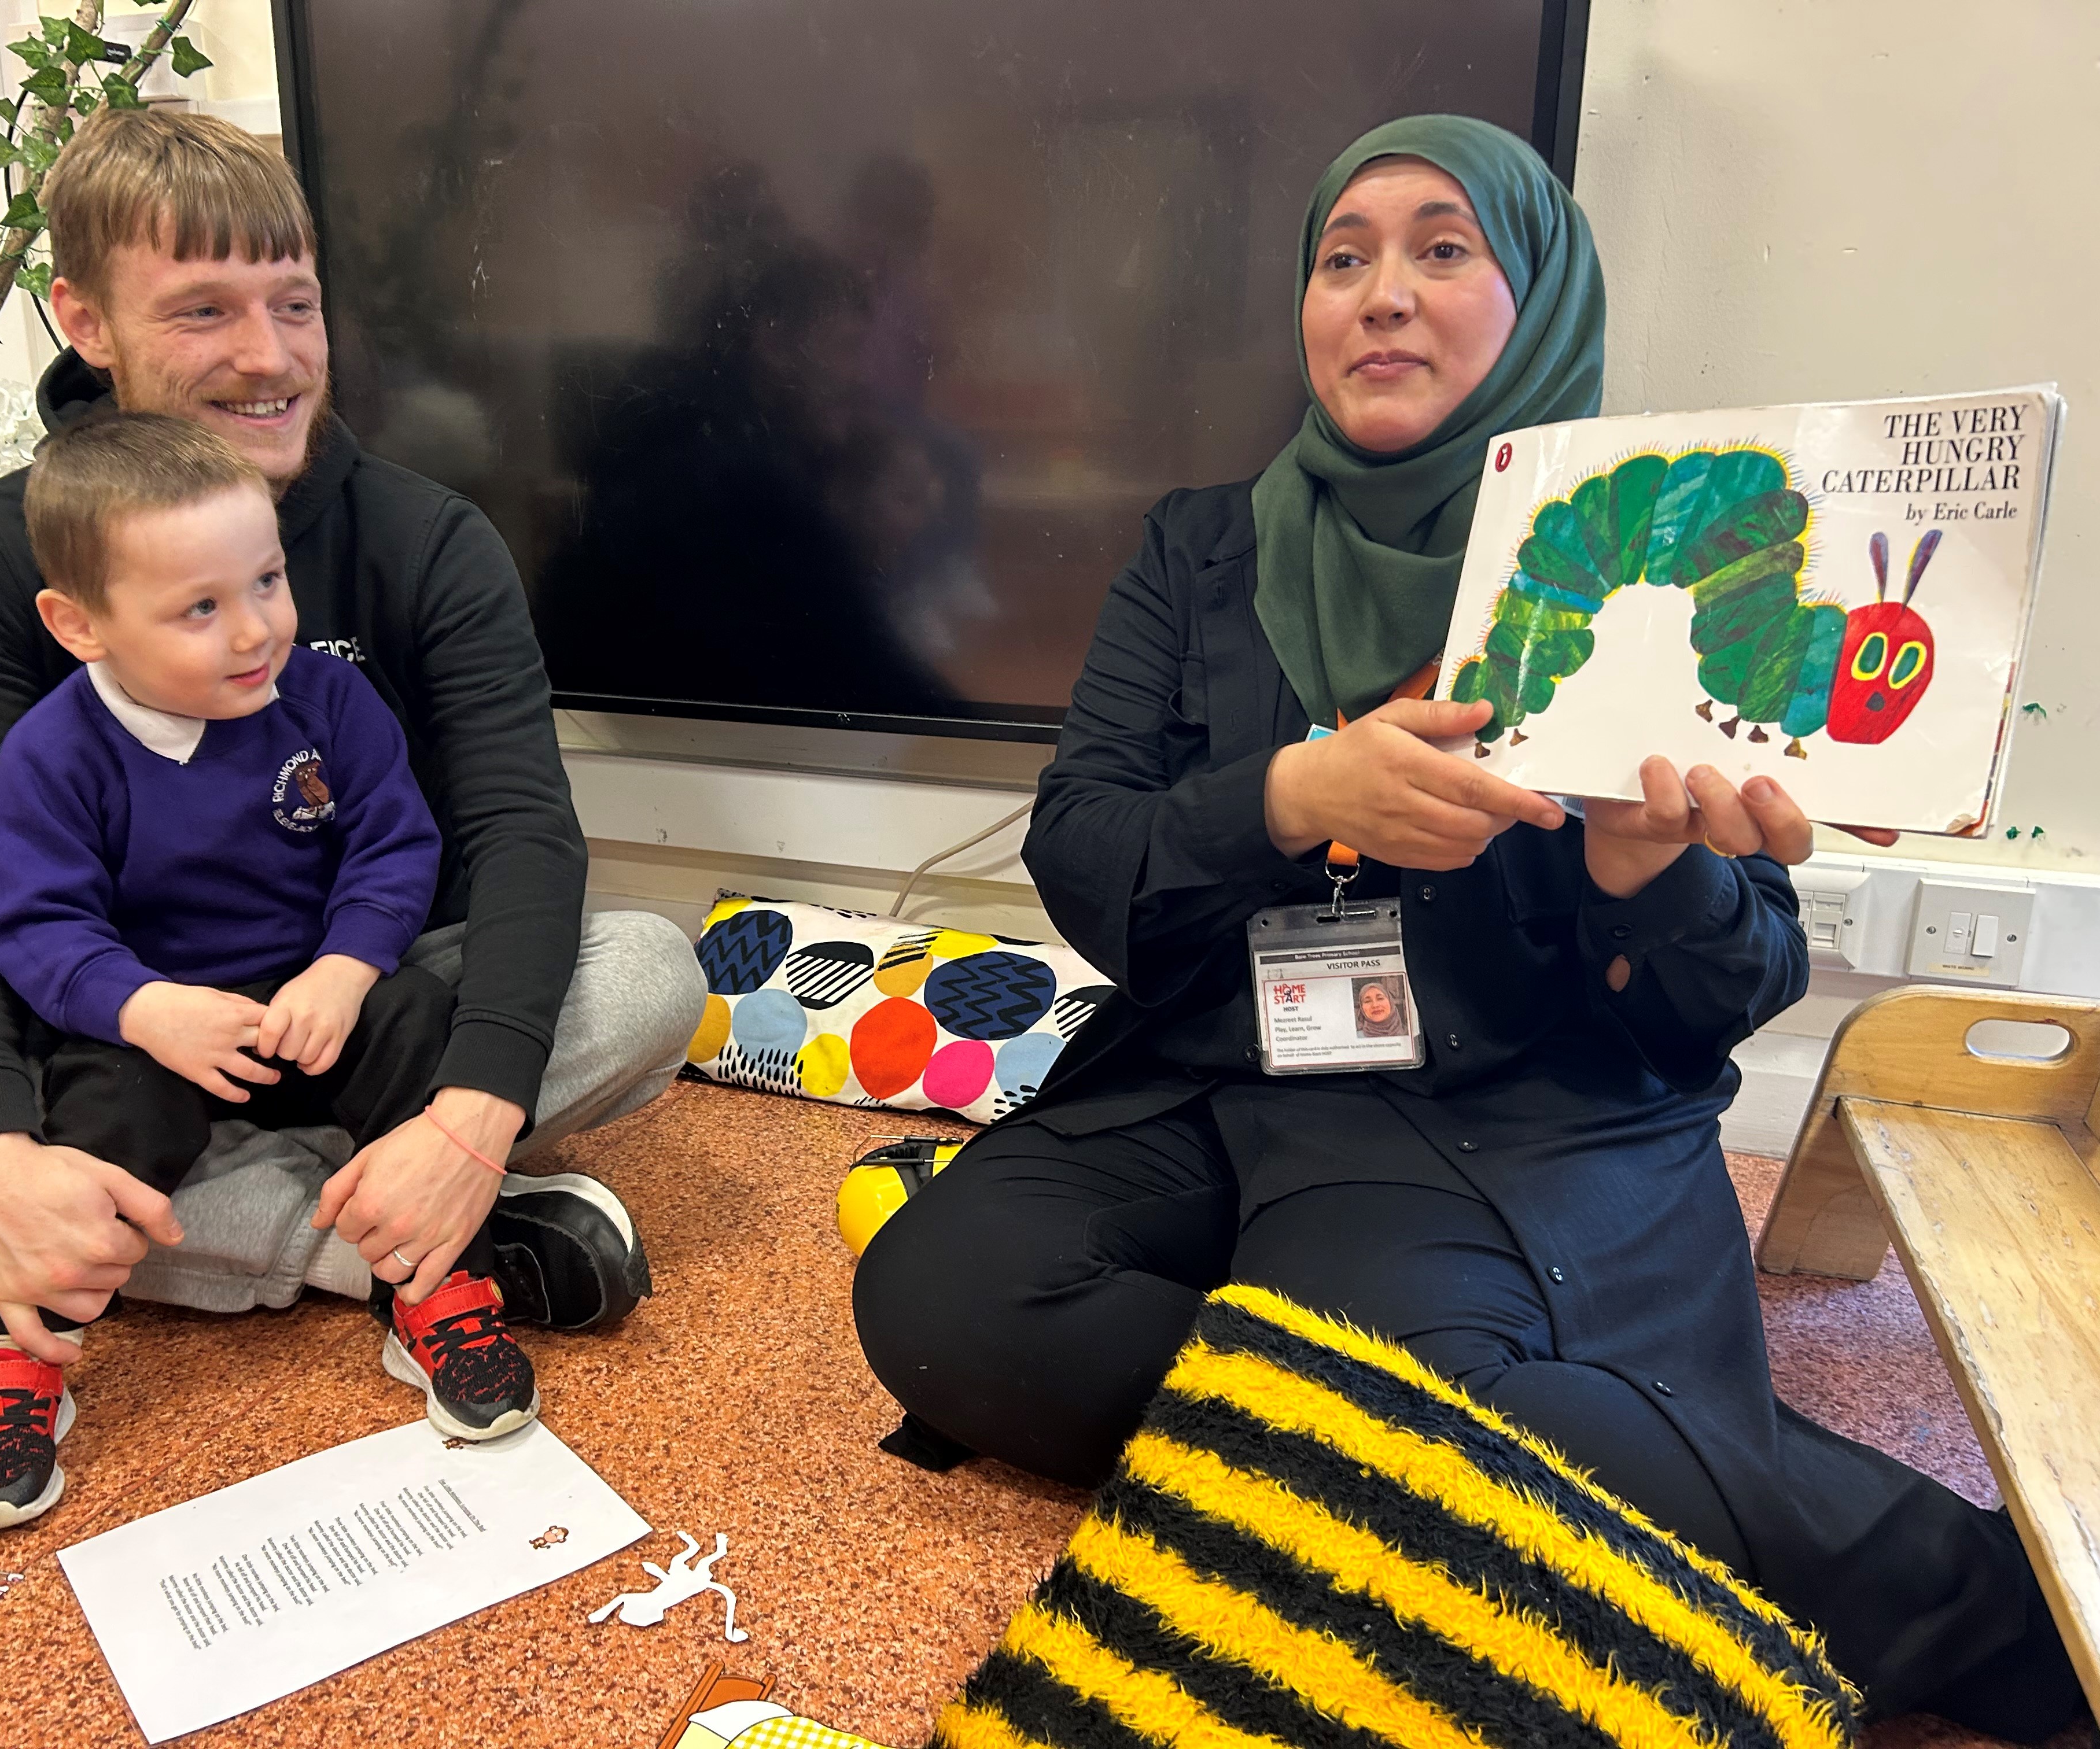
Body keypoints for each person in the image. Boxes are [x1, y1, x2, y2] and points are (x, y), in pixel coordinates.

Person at [852, 116, 2081, 1739]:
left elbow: (1740, 980)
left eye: (1444, 250)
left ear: (1542, 305)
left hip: (1502, 1112)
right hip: (1229, 1069)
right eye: (1341, 256)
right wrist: (1290, 795)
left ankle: (2015, 1625)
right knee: (943, 1300)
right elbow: (1085, 853)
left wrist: (1654, 874)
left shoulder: (1676, 550)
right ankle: (1346, 1421)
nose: (1380, 292)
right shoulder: (1200, 548)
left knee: (1421, 1379)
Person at [0, 109, 706, 1357]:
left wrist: (471, 1114)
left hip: (369, 1013)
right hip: (99, 1033)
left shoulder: (428, 539)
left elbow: (525, 834)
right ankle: (398, 1246)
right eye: (203, 310)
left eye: (296, 304)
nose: (271, 358)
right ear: (86, 321)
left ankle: (63, 1243)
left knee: (653, 973)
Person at [0, 413, 541, 1533]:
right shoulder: (52, 753)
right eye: (201, 609)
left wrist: (348, 970)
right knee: (82, 1109)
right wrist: (148, 1010)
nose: (256, 630)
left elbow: (397, 847)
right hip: (161, 1038)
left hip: (319, 1010)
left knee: (431, 1016)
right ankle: (17, 1342)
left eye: (267, 581)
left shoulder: (328, 702)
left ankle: (434, 1274)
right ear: (81, 627)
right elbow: (32, 927)